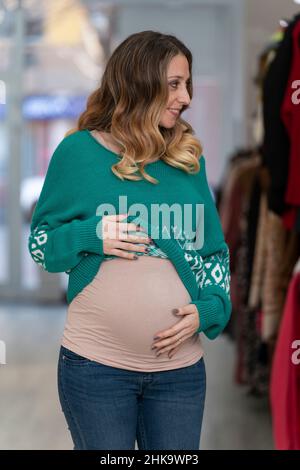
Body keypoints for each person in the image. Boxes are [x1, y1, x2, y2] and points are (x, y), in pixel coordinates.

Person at [28, 30, 231, 450]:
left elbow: (214, 255)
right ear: (139, 82)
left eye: (187, 84)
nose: (186, 96)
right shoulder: (77, 153)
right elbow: (41, 245)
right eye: (174, 84)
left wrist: (211, 309)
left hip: (180, 373)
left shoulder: (188, 159)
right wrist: (91, 235)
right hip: (95, 370)